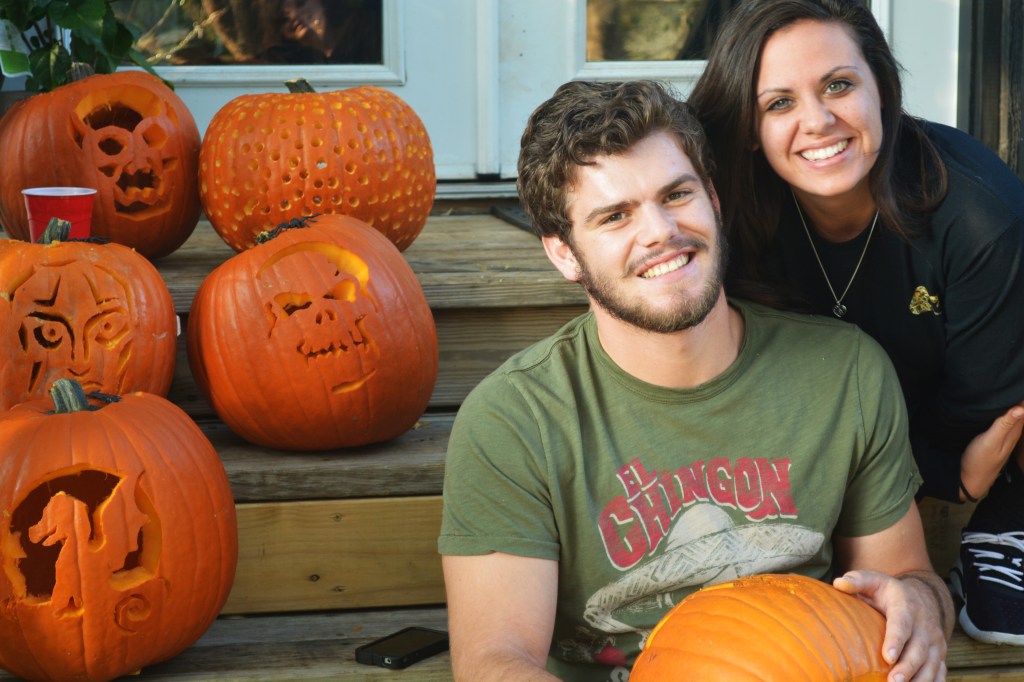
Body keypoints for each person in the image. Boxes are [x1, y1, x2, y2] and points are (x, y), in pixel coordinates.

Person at [438, 79, 952, 682]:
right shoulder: (516, 419)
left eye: (676, 194)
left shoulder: (845, 374)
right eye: (614, 216)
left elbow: (907, 580)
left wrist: (919, 603)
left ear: (713, 197)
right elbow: (495, 662)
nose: (659, 232)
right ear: (564, 253)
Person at [687, 0, 1024, 646]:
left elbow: (985, 414)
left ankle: (1007, 527)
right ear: (750, 127)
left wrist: (950, 472)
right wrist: (945, 471)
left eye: (839, 85)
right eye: (778, 103)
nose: (818, 121)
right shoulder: (730, 218)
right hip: (838, 439)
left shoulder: (979, 218)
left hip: (965, 420)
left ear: (882, 91)